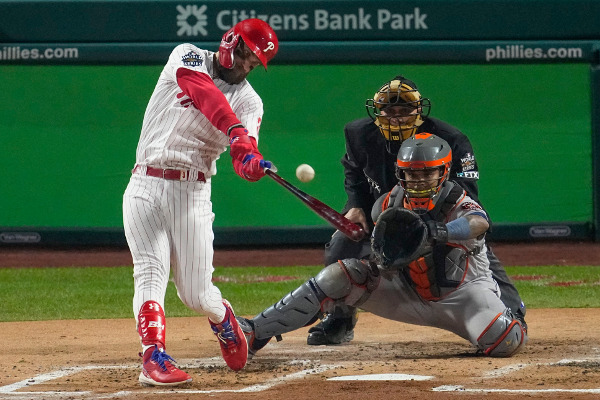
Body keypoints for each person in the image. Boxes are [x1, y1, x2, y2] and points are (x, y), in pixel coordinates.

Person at [238, 133, 528, 359]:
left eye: (427, 173)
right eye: (411, 173)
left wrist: (437, 230)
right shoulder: (388, 204)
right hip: (406, 295)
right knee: (339, 275)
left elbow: (479, 223)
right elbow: (382, 255)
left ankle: (510, 318)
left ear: (444, 172)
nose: (418, 181)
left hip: (463, 297)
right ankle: (256, 331)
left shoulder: (458, 201)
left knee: (503, 340)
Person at [306, 76, 527, 346]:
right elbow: (354, 173)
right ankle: (340, 317)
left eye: (404, 111)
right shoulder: (358, 134)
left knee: (471, 249)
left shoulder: (451, 140)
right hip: (382, 213)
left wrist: (434, 229)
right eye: (389, 111)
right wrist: (354, 205)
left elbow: (467, 196)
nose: (396, 118)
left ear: (419, 111)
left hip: (436, 218)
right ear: (377, 112)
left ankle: (511, 310)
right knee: (341, 246)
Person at [122, 19, 278, 386]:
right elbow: (204, 93)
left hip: (192, 193)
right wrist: (235, 131)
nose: (244, 66)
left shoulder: (250, 101)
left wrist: (249, 161)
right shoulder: (187, 56)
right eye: (244, 54)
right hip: (144, 182)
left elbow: (244, 154)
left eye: (253, 63)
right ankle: (153, 356)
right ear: (230, 39)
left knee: (195, 293)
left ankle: (222, 317)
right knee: (149, 271)